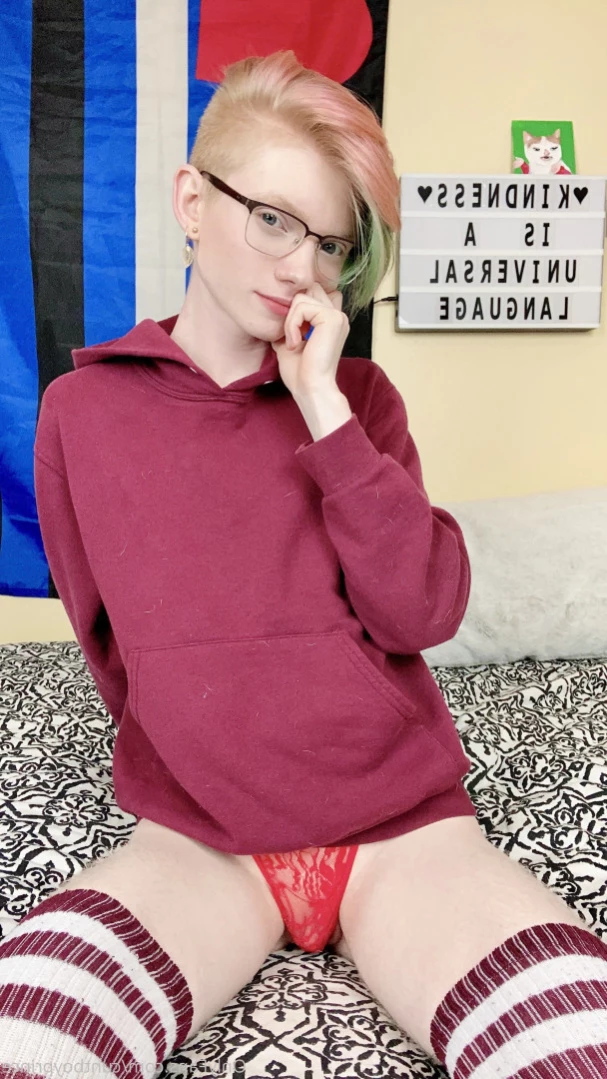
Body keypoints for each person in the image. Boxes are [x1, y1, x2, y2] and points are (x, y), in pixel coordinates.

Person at [2, 48, 605, 1079]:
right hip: (198, 839)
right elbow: (106, 641)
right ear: (193, 201)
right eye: (274, 220)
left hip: (402, 829)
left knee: (573, 1042)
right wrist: (195, 738)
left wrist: (324, 409)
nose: (301, 270)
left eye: (330, 244)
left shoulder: (361, 403)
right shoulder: (81, 413)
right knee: (28, 1036)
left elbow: (423, 609)